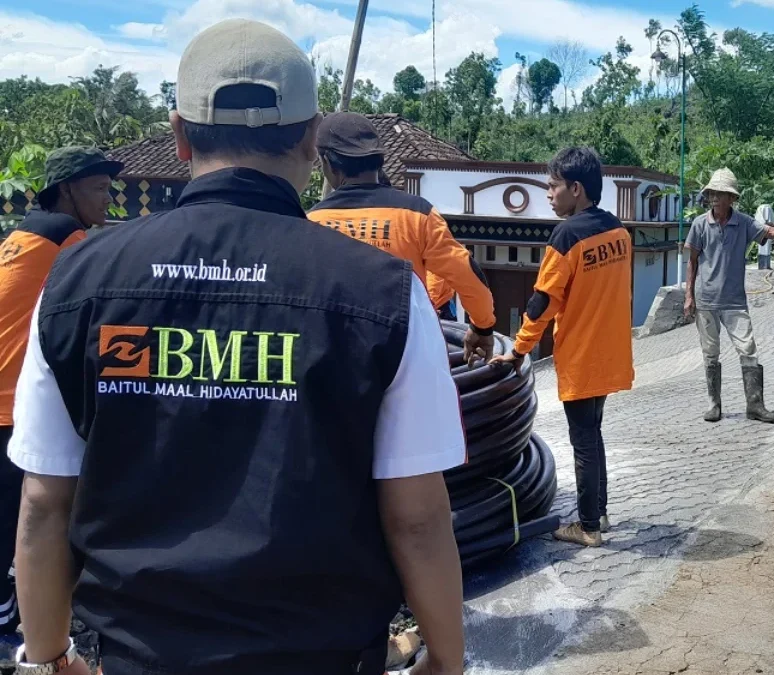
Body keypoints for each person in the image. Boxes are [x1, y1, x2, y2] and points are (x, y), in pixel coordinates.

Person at [8, 19, 464, 675]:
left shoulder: (77, 281)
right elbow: (418, 518)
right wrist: (446, 658)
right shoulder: (384, 292)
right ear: (311, 139)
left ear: (180, 136)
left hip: (136, 656)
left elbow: (45, 503)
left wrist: (47, 655)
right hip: (323, 655)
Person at [0, 147, 122, 642]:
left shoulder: (24, 235)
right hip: (9, 397)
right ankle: (14, 622)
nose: (108, 198)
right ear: (67, 190)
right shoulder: (66, 239)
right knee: (26, 509)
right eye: (98, 188)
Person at [490, 147, 633, 548]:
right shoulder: (618, 231)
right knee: (594, 432)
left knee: (584, 440)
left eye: (553, 187)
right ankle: (599, 511)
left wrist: (517, 351)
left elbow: (541, 301)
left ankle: (587, 527)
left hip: (582, 356)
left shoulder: (567, 236)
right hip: (610, 352)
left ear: (576, 188)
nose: (548, 194)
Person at [308, 112, 496, 363]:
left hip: (334, 360)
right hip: (406, 358)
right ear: (378, 160)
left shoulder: (310, 222)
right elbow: (467, 274)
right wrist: (482, 328)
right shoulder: (417, 215)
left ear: (327, 162)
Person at [683, 168, 774, 424]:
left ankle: (755, 405)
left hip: (734, 301)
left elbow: (773, 233)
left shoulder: (744, 222)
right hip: (706, 299)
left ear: (732, 199)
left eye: (721, 194)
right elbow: (692, 262)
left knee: (748, 349)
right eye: (713, 194)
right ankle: (714, 405)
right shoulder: (699, 225)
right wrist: (689, 296)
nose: (715, 198)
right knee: (710, 353)